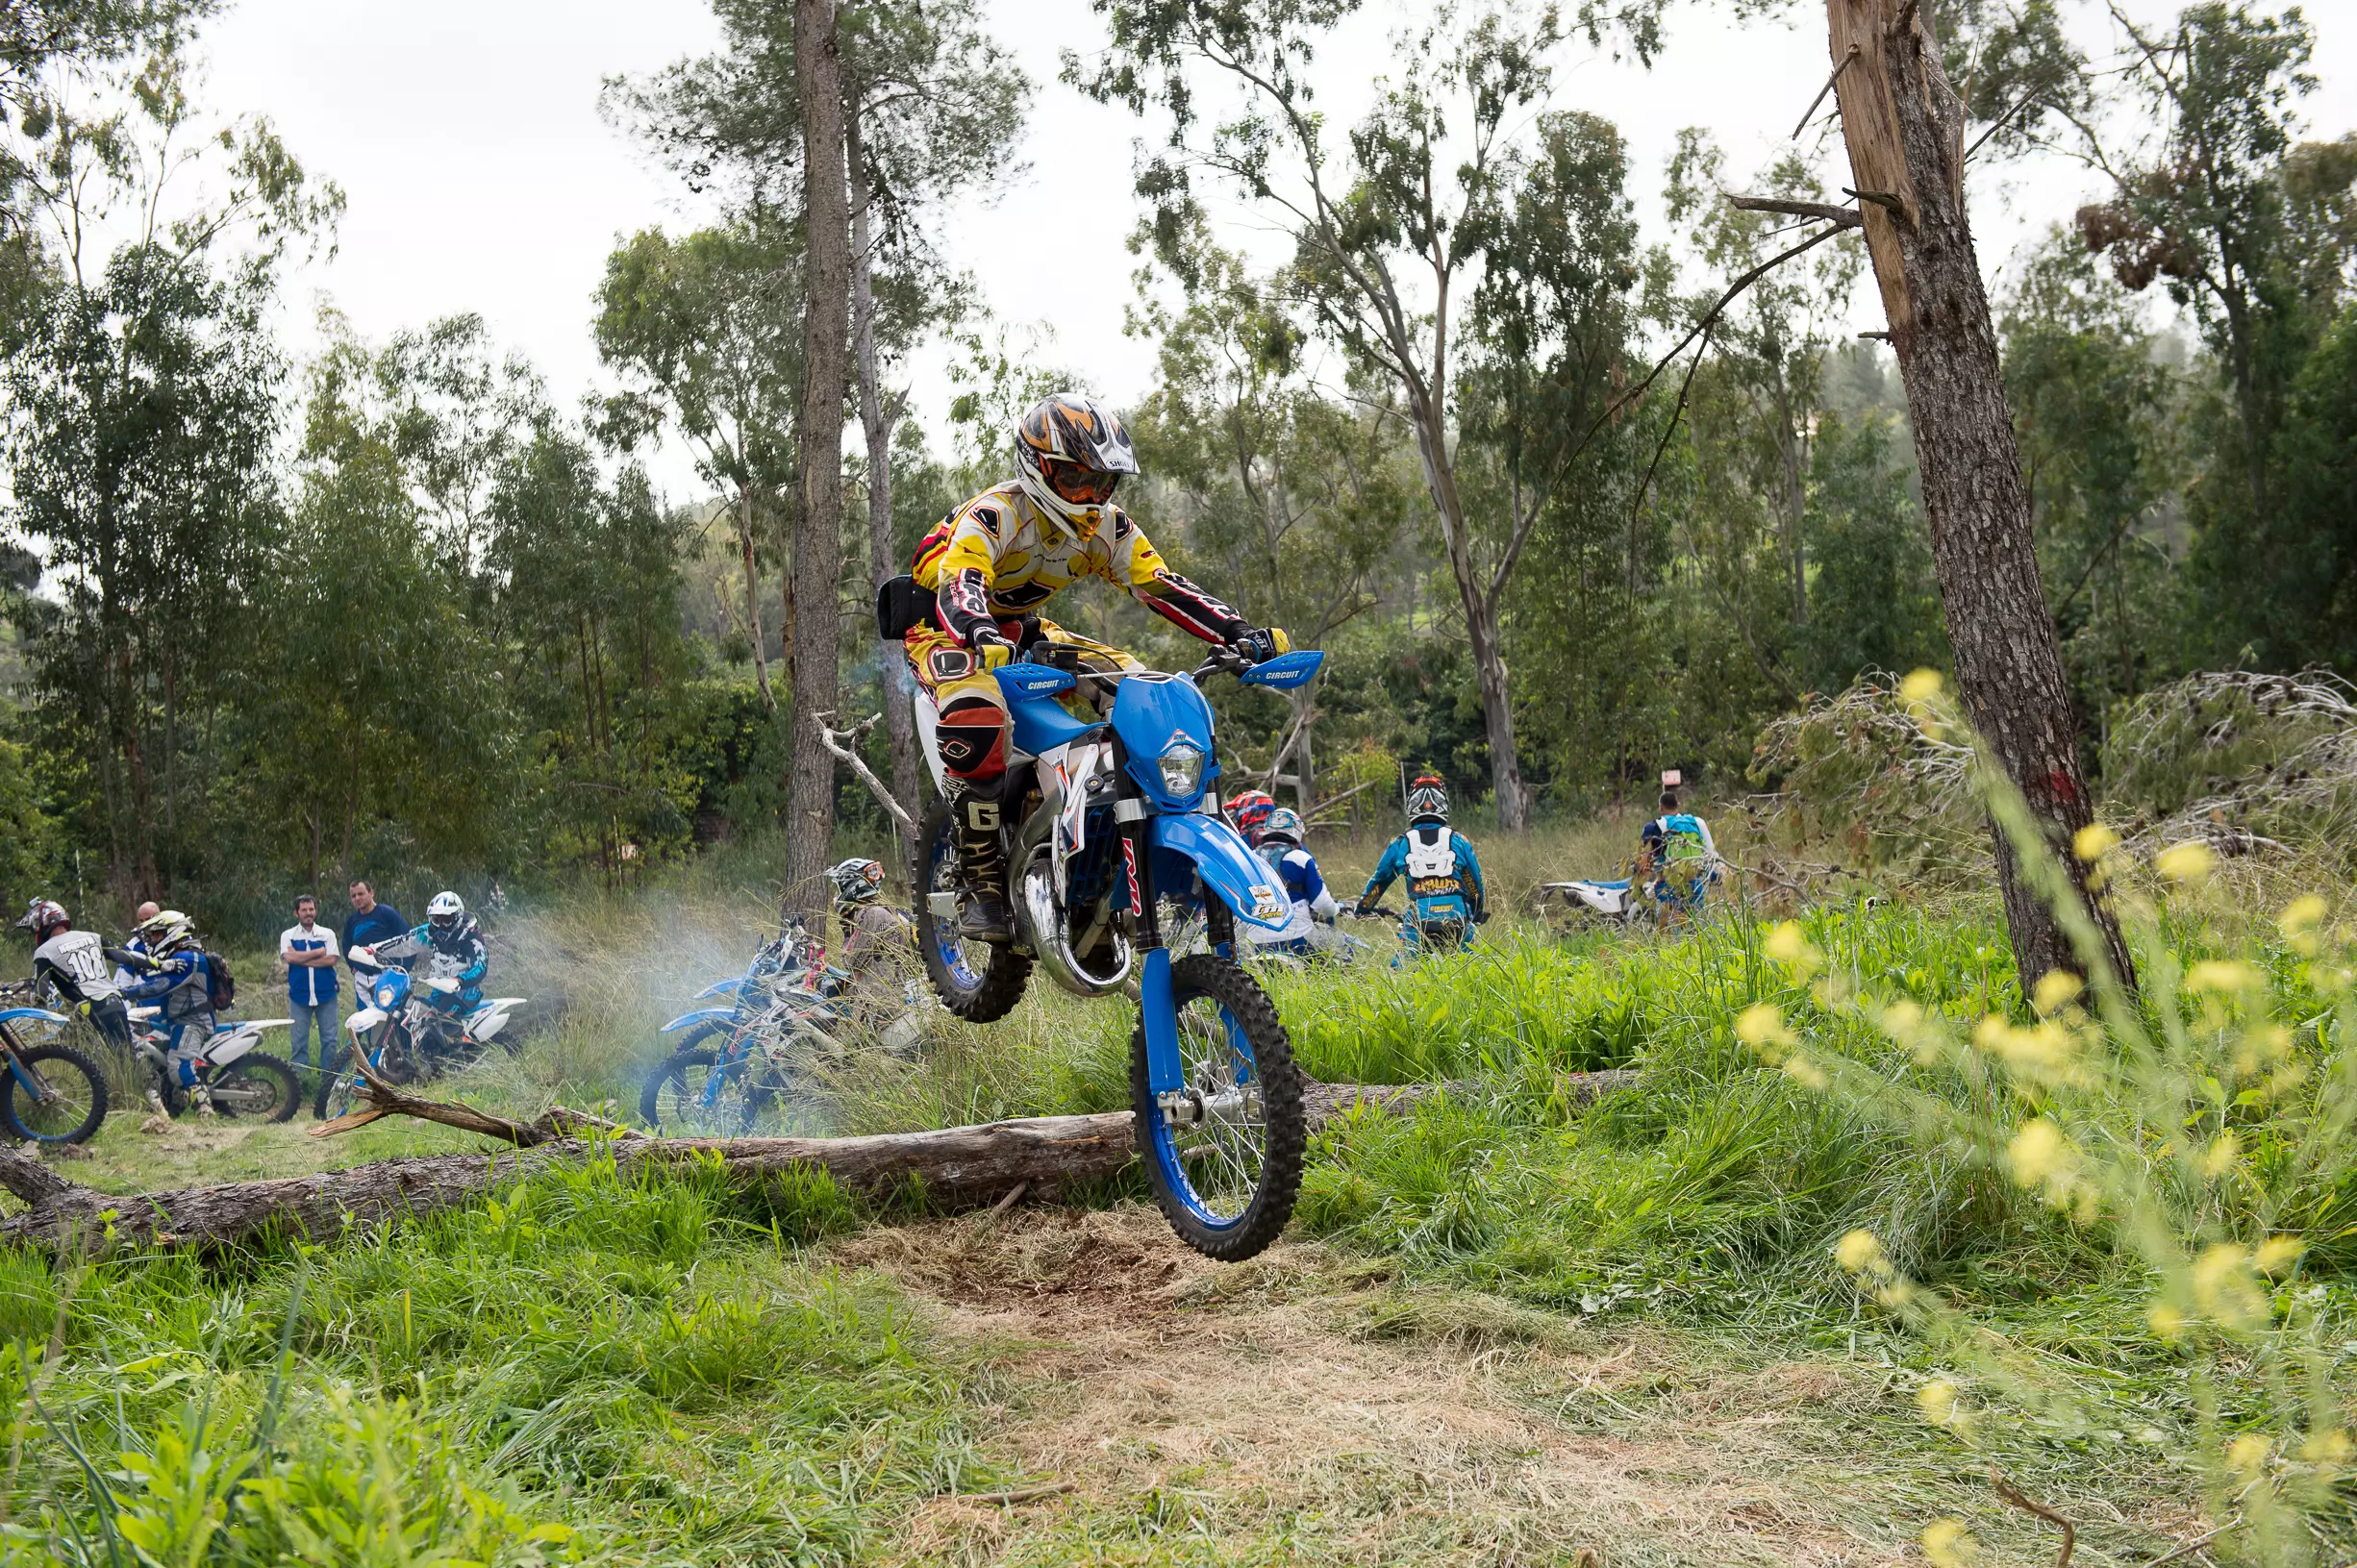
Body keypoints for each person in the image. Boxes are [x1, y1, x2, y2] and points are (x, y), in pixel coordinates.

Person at [904, 391, 1290, 943]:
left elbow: (1162, 587)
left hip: (1023, 628)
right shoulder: (995, 514)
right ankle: (983, 878)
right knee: (977, 716)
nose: (1090, 497)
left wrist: (1238, 631)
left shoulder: (1106, 526)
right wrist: (979, 630)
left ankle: (1099, 854)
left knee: (1145, 690)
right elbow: (959, 588)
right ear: (1039, 467)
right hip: (944, 626)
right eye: (1077, 480)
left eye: (1102, 483)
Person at [1357, 774, 1487, 953]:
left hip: (1419, 919)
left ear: (1411, 805)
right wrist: (1476, 914)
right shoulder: (1459, 840)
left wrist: (1363, 908)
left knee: (1403, 974)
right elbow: (1475, 886)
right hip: (1458, 916)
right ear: (1444, 803)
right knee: (1473, 971)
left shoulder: (1400, 843)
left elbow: (1379, 882)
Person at [118, 909, 218, 1113]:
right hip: (174, 1020)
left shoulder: (189, 957)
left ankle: (205, 1112)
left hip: (193, 1021)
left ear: (172, 932)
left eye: (157, 934)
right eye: (152, 935)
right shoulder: (177, 956)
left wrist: (125, 993)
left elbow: (162, 985)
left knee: (179, 1066)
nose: (153, 939)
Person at [15, 899, 135, 1052]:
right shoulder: (93, 936)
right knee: (125, 1056)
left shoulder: (44, 951)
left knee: (63, 1049)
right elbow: (125, 957)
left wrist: (30, 999)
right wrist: (160, 964)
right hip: (116, 1002)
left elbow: (41, 994)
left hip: (90, 1011)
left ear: (41, 925)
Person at [1244, 809, 1347, 958]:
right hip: (1297, 936)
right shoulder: (1301, 858)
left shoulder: (1250, 858)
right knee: (1348, 949)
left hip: (1256, 941)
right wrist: (1336, 909)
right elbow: (1322, 904)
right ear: (1296, 829)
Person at [830, 858, 915, 1025]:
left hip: (878, 1005)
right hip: (894, 994)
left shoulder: (871, 914)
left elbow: (849, 961)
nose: (837, 894)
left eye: (839, 887)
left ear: (851, 886)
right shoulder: (890, 911)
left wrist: (847, 929)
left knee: (841, 1044)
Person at [404, 891, 487, 1055]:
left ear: (456, 918)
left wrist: (459, 979)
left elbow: (480, 966)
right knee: (416, 1015)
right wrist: (374, 950)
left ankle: (454, 1063)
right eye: (437, 919)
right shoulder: (429, 932)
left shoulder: (471, 938)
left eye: (446, 919)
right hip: (439, 990)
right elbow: (403, 942)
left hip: (464, 992)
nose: (440, 925)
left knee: (442, 1021)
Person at [1637, 773, 1719, 921]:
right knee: (1698, 923)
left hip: (1669, 886)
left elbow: (1643, 862)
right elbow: (1712, 854)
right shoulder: (1697, 822)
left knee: (1668, 928)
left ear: (1660, 808)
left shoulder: (1653, 826)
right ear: (1678, 806)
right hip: (1696, 883)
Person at [279, 894, 339, 1077]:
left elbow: (332, 959)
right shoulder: (288, 935)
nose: (308, 913)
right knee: (298, 1043)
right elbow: (288, 957)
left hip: (326, 994)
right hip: (299, 996)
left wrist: (301, 958)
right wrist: (318, 952)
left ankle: (327, 1083)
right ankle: (301, 1083)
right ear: (296, 913)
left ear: (316, 910)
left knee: (330, 1041)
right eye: (304, 910)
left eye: (311, 909)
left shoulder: (327, 933)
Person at [341, 880, 406, 969]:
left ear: (371, 893)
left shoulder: (387, 913)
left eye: (360, 894)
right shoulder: (351, 921)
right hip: (361, 977)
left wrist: (404, 968)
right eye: (353, 896)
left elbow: (407, 939)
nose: (357, 898)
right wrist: (352, 967)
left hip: (388, 972)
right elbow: (346, 946)